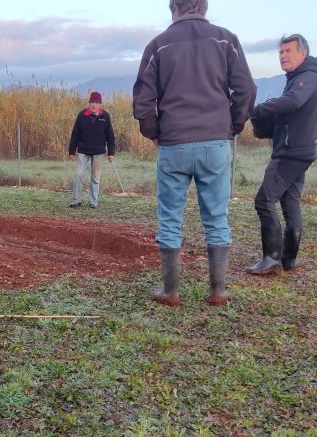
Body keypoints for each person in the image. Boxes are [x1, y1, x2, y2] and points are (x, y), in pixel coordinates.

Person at [133, 0, 256, 306]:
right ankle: (218, 291)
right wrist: (232, 126)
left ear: (173, 8)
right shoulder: (226, 39)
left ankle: (171, 291)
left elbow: (143, 100)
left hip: (173, 143)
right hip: (215, 141)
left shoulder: (158, 45)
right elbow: (247, 90)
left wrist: (154, 133)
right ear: (203, 6)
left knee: (170, 218)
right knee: (216, 217)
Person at [246, 35, 317, 275]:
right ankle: (288, 260)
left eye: (288, 50)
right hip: (299, 150)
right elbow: (288, 112)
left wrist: (256, 110)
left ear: (303, 53)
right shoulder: (298, 78)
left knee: (264, 200)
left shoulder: (307, 78)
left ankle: (271, 260)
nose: (283, 55)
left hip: (291, 153)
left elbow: (292, 102)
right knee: (289, 201)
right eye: (281, 52)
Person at [68, 91, 115, 209]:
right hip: (83, 150)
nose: (93, 105)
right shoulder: (82, 115)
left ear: (100, 104)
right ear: (89, 103)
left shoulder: (105, 116)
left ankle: (93, 202)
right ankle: (76, 201)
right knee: (78, 175)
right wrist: (72, 151)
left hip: (98, 151)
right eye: (91, 102)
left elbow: (110, 136)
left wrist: (111, 152)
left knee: (95, 177)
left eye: (96, 103)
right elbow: (75, 134)